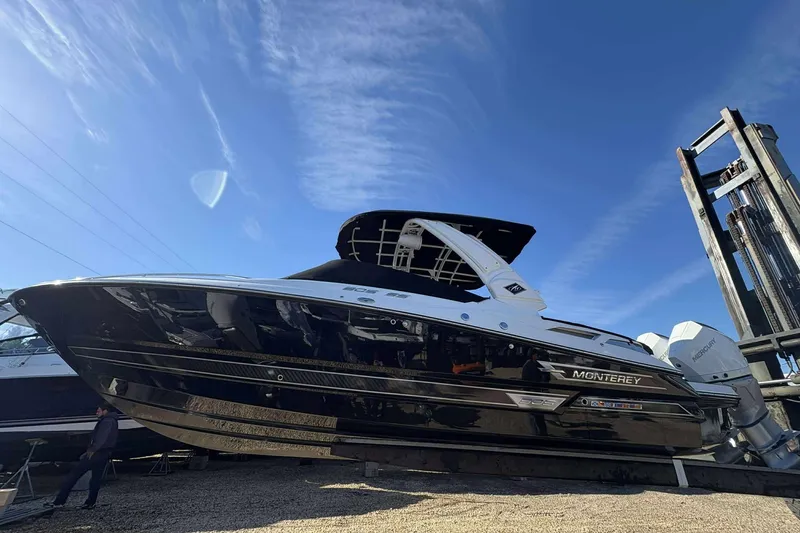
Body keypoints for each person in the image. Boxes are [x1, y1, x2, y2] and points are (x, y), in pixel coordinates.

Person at [48, 403, 119, 510]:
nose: (97, 412)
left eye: (99, 410)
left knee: (73, 476)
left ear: (105, 411)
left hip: (96, 454)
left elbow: (101, 438)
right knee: (95, 479)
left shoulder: (107, 421)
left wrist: (92, 450)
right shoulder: (112, 421)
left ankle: (59, 501)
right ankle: (90, 502)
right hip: (104, 454)